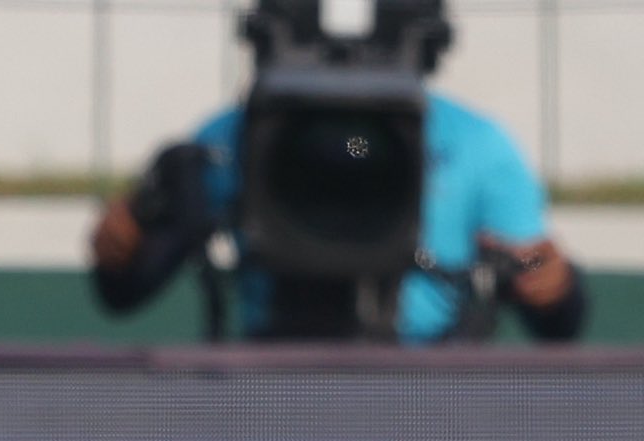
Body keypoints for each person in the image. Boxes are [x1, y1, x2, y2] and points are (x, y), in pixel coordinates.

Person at [89, 0, 587, 344]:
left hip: (427, 390)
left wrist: (547, 278)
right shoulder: (227, 140)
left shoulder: (475, 146)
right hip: (272, 387)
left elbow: (552, 305)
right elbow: (126, 287)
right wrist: (124, 243)